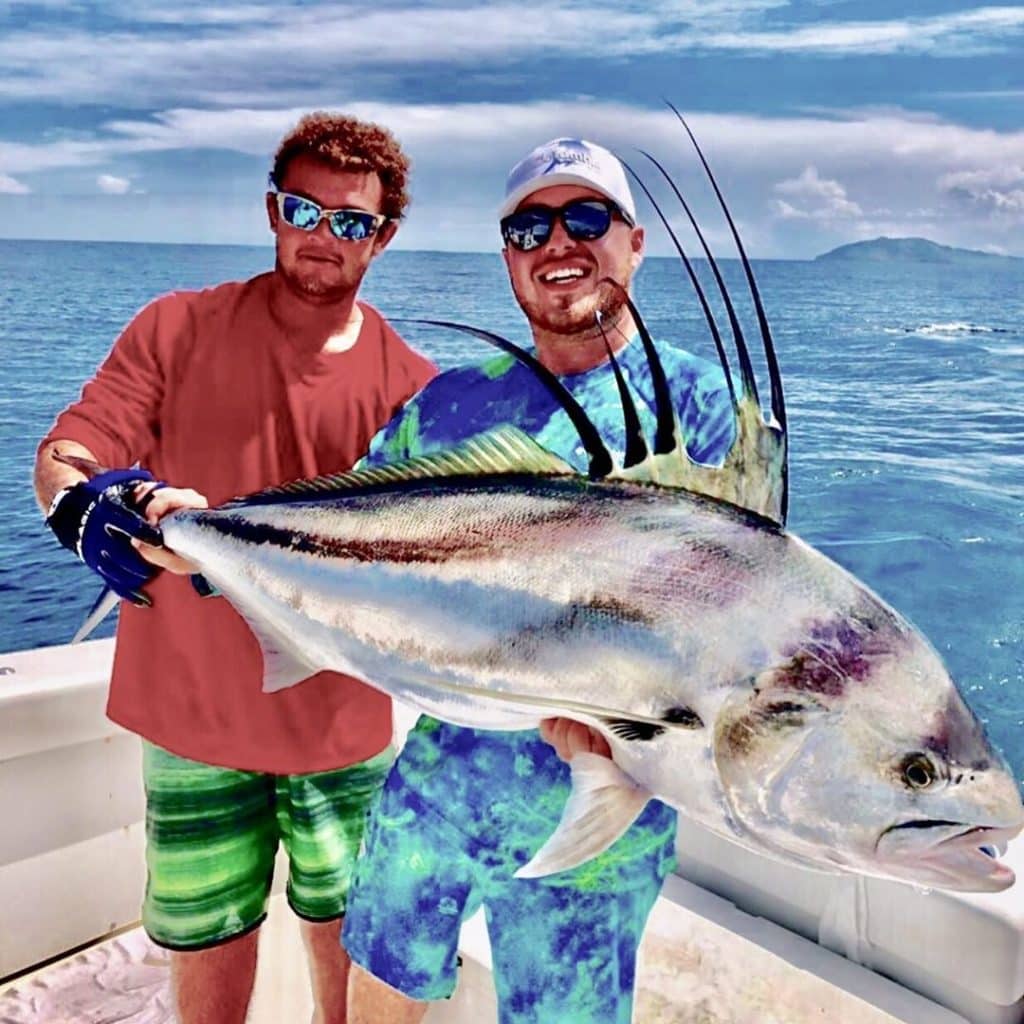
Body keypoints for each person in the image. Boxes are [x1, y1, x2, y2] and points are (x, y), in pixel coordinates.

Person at [33, 112, 436, 1024]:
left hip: (339, 720)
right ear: (272, 210)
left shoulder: (412, 388)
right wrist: (80, 507)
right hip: (189, 713)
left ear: (384, 237)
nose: (324, 236)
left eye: (352, 222)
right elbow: (75, 444)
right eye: (305, 209)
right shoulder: (178, 326)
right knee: (209, 938)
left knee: (350, 932)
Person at [342, 138, 736, 1024]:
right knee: (381, 975)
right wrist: (199, 539)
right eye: (529, 225)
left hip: (600, 811)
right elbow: (344, 540)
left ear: (635, 241)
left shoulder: (706, 408)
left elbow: (745, 620)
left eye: (586, 217)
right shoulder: (446, 406)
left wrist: (630, 722)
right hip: (438, 781)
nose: (557, 241)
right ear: (510, 257)